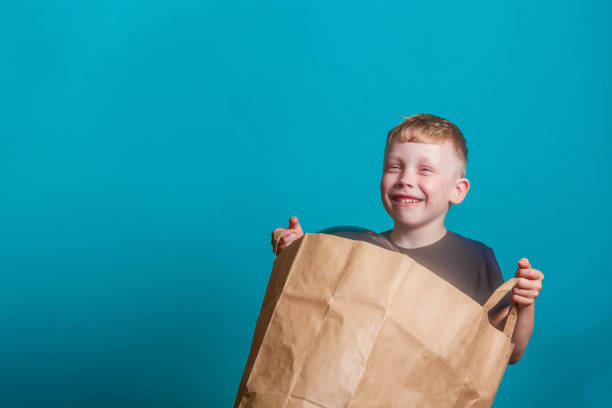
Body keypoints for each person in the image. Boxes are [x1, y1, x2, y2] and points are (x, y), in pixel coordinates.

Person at [269, 113, 544, 365]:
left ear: (457, 191)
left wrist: (524, 305)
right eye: (394, 167)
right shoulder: (356, 248)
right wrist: (298, 252)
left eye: (425, 170)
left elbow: (509, 351)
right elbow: (314, 310)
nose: (405, 179)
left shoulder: (474, 258)